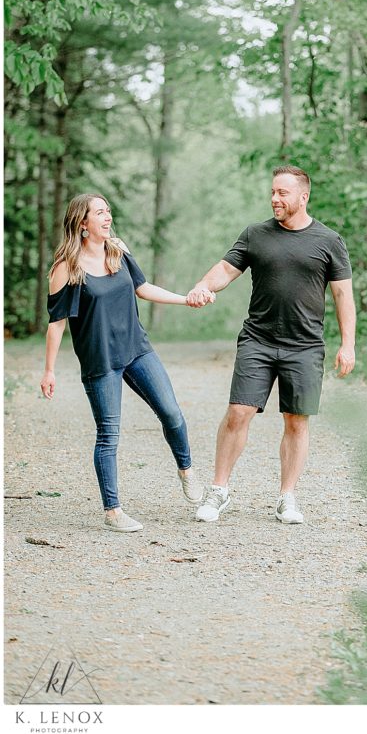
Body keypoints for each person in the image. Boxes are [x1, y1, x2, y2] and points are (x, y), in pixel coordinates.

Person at [186, 165, 356, 525]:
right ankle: (218, 491)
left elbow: (343, 295)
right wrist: (203, 286)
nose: (275, 199)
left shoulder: (328, 241)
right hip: (258, 340)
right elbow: (225, 270)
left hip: (305, 346)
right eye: (273, 192)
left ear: (303, 196)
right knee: (238, 413)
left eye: (283, 193)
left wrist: (348, 344)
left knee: (296, 421)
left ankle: (287, 497)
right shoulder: (256, 235)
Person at [39, 193, 213, 533]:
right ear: (82, 223)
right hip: (100, 361)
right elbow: (56, 324)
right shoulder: (66, 269)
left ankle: (187, 470)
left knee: (172, 413)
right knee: (108, 435)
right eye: (99, 212)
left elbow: (143, 288)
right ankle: (113, 511)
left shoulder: (118, 250)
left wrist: (184, 301)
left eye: (108, 211)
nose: (107, 217)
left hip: (137, 350)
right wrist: (48, 370)